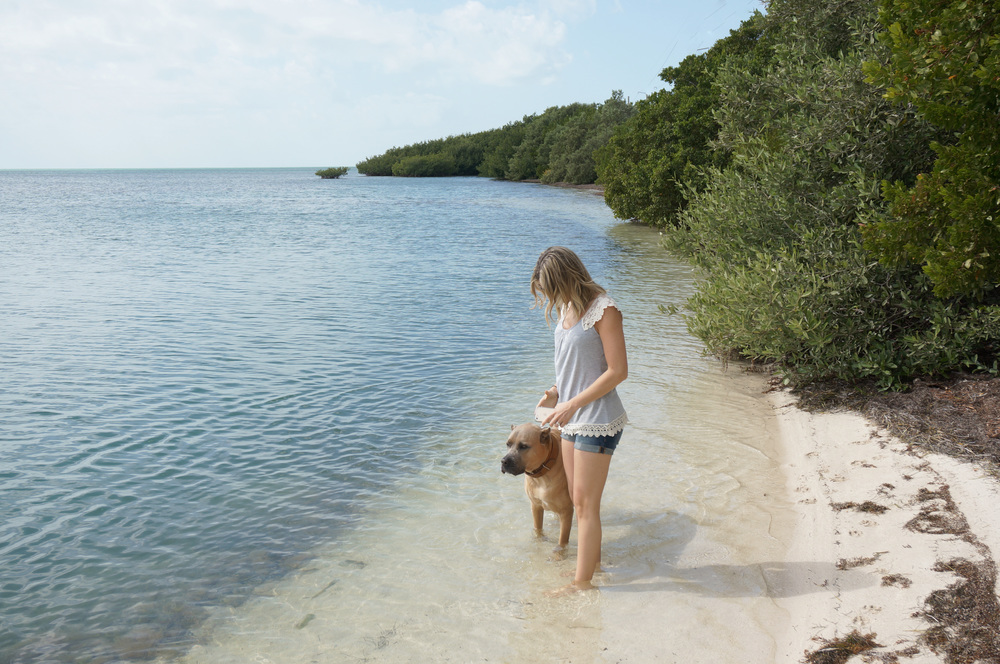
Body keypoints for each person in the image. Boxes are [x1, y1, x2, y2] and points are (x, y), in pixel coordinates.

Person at [530, 246, 628, 594]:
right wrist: (555, 393)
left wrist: (571, 403)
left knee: (585, 505)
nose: (549, 297)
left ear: (566, 277)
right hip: (570, 416)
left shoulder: (604, 309)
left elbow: (618, 371)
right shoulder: (566, 309)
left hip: (598, 418)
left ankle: (580, 583)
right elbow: (576, 367)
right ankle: (594, 566)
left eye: (551, 288)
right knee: (576, 497)